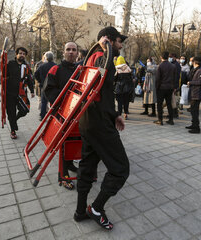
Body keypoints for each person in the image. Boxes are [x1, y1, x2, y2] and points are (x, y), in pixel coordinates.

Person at [74, 27, 129, 231]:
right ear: (109, 40)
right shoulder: (100, 56)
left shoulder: (95, 57)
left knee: (87, 167)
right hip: (98, 123)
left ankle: (80, 211)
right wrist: (106, 49)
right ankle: (96, 208)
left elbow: (100, 93)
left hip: (89, 120)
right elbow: (102, 83)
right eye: (119, 41)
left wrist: (115, 114)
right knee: (121, 168)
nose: (121, 45)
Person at [44, 42, 79, 190]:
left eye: (74, 50)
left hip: (77, 114)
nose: (71, 52)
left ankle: (70, 164)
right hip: (62, 114)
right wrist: (67, 101)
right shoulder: (55, 69)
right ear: (63, 52)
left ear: (77, 53)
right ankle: (63, 175)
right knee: (63, 144)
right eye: (68, 50)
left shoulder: (80, 70)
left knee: (74, 141)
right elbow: (48, 90)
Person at [6, 47, 35, 139]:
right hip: (10, 93)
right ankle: (13, 130)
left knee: (25, 109)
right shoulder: (10, 64)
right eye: (20, 53)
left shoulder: (26, 66)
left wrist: (32, 91)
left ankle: (14, 120)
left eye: (24, 54)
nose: (22, 55)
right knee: (11, 112)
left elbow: (30, 79)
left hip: (22, 93)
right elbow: (4, 75)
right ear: (16, 54)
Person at [154, 51, 176, 125]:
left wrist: (156, 88)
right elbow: (175, 78)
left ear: (161, 57)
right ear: (168, 57)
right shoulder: (173, 66)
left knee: (159, 104)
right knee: (169, 104)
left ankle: (160, 120)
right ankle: (171, 119)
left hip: (161, 88)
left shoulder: (160, 66)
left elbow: (158, 79)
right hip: (170, 87)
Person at [186, 57, 201, 134]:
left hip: (197, 94)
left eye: (192, 61)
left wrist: (190, 83)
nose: (191, 62)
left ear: (196, 62)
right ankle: (193, 124)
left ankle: (196, 128)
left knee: (194, 111)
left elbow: (200, 82)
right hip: (194, 93)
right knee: (193, 110)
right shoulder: (196, 69)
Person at [34, 51, 56, 121]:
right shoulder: (56, 66)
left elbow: (35, 75)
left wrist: (41, 81)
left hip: (44, 86)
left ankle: (42, 116)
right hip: (53, 86)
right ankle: (53, 116)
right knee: (53, 102)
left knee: (44, 102)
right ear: (53, 58)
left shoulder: (42, 66)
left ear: (46, 58)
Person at [169, 53, 181, 118]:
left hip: (174, 85)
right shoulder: (172, 64)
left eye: (171, 57)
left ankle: (174, 113)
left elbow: (177, 77)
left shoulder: (176, 65)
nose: (169, 58)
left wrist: (175, 87)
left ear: (174, 57)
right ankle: (174, 113)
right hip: (172, 84)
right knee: (172, 100)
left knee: (173, 100)